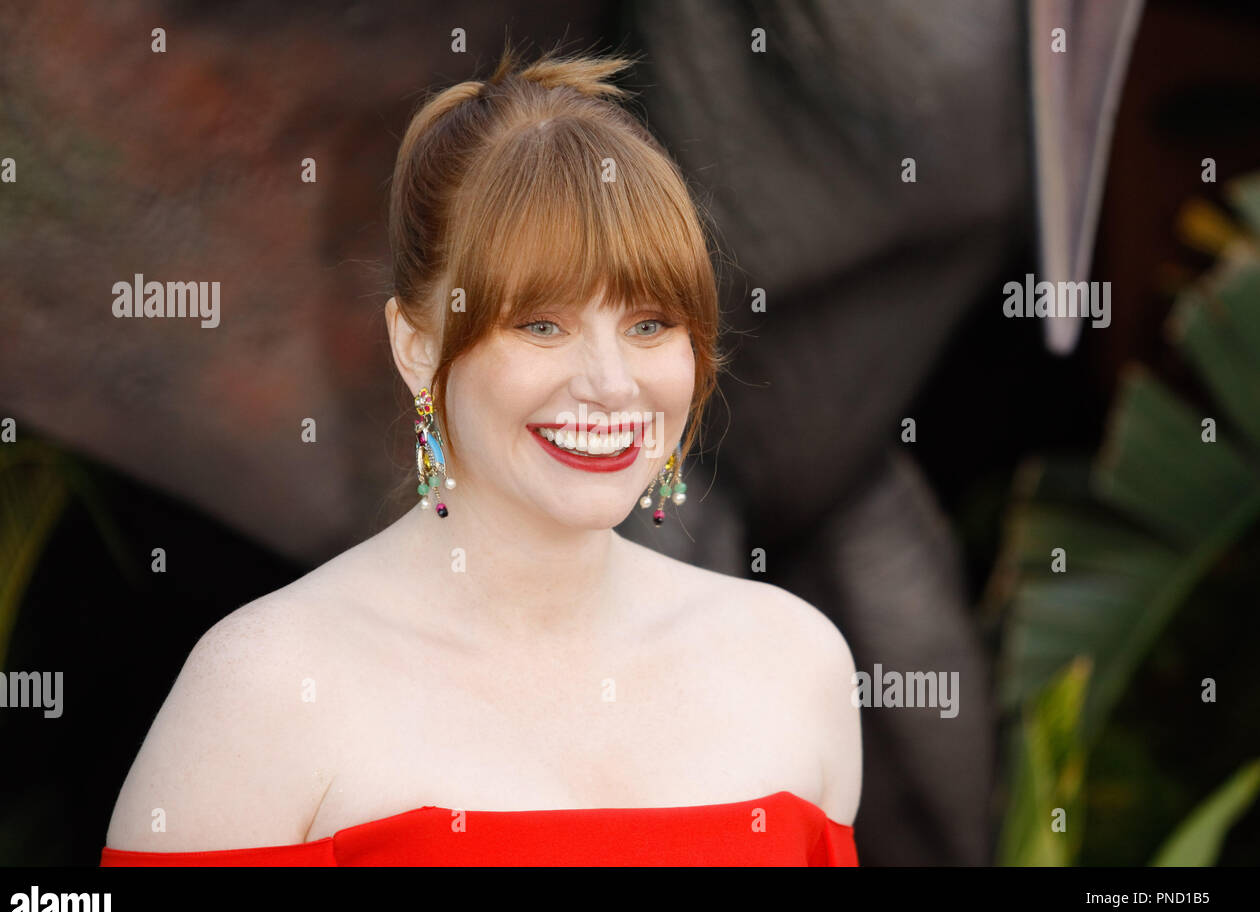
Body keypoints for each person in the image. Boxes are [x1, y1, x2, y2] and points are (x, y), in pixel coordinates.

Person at [100, 42, 861, 866]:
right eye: (542, 324)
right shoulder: (267, 688)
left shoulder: (793, 664)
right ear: (418, 347)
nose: (610, 385)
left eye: (650, 324)